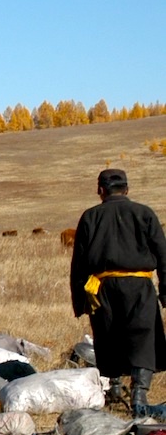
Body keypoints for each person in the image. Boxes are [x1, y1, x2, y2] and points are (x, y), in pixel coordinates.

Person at [69, 168, 166, 418]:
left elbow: (79, 263)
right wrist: (165, 291)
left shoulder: (90, 217)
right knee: (143, 337)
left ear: (100, 190)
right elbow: (163, 255)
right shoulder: (144, 213)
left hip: (102, 288)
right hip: (139, 286)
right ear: (127, 189)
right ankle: (139, 395)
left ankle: (114, 389)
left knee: (108, 335)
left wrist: (80, 300)